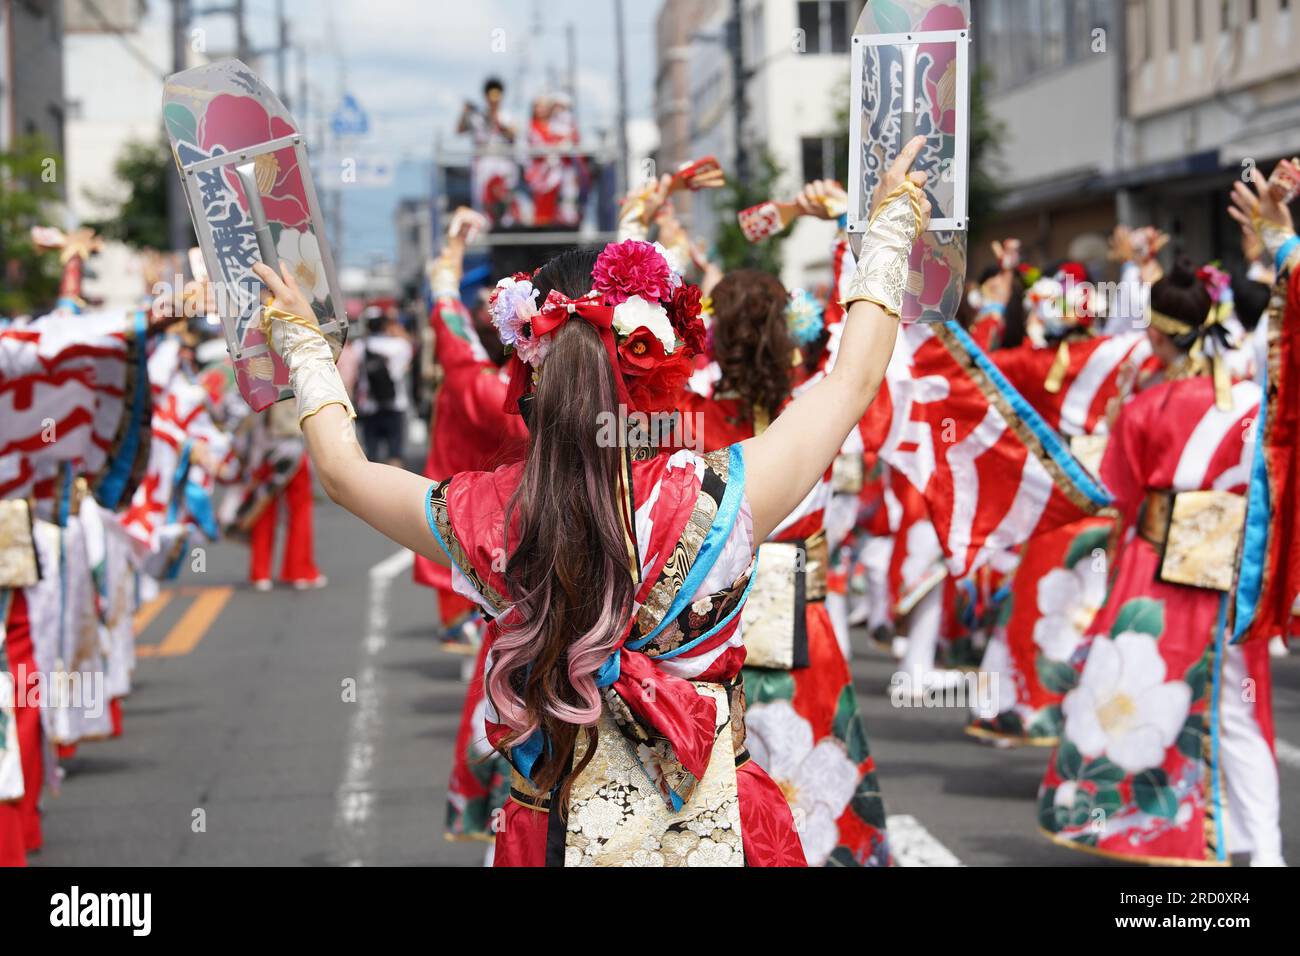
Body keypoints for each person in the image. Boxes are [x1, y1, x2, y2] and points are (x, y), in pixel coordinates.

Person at [251, 137, 931, 867]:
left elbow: (347, 475)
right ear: (659, 363)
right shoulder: (723, 493)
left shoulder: (491, 515)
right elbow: (852, 380)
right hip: (713, 829)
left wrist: (305, 343)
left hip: (552, 834)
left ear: (531, 369)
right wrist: (887, 223)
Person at [677, 268, 892, 866]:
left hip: (707, 618)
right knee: (813, 754)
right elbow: (866, 360)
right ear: (785, 334)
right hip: (804, 606)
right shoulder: (817, 407)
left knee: (717, 764)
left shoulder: (682, 417)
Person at [348, 309, 413, 467]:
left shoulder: (359, 346)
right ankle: (397, 489)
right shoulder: (401, 345)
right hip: (395, 403)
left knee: (371, 455)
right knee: (395, 453)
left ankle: (372, 490)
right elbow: (408, 359)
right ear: (385, 324)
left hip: (370, 406)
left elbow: (353, 374)